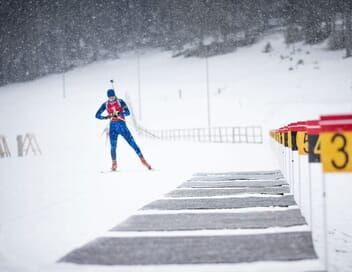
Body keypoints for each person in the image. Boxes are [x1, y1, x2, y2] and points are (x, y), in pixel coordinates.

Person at [95, 89, 152, 171]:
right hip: (113, 128)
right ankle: (114, 164)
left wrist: (119, 113)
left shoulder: (120, 102)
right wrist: (106, 117)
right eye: (110, 98)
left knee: (133, 144)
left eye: (113, 97)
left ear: (115, 96)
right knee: (113, 147)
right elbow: (97, 115)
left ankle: (144, 161)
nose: (111, 100)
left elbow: (128, 112)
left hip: (122, 126)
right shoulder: (106, 104)